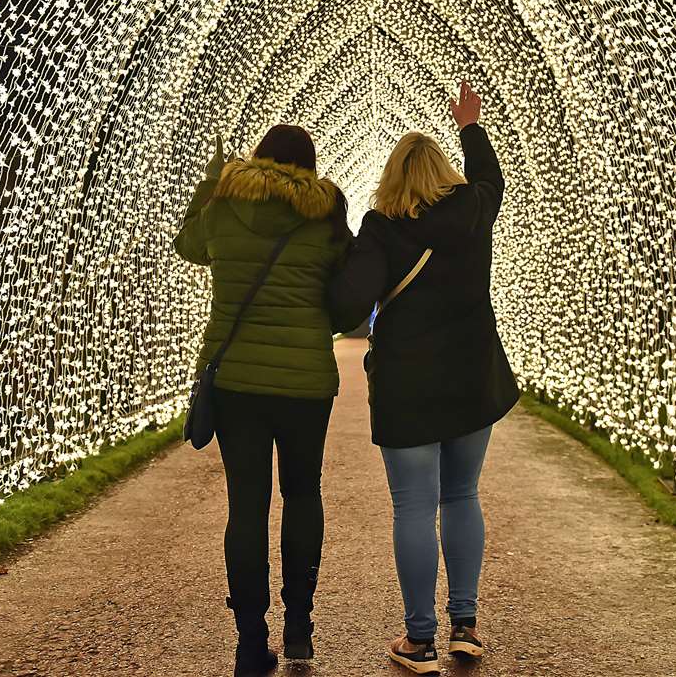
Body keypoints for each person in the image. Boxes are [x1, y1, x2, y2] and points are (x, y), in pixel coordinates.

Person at [328, 81, 520, 674]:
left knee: (413, 508)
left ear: (391, 180)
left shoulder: (382, 227)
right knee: (462, 495)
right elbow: (491, 181)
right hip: (471, 375)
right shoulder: (472, 211)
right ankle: (466, 626)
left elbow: (346, 310)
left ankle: (421, 640)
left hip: (409, 383)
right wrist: (471, 125)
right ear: (445, 175)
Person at [173, 124, 355, 674]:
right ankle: (299, 627)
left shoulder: (226, 205)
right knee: (303, 495)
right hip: (306, 383)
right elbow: (344, 297)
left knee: (246, 507)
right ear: (310, 166)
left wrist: (209, 185)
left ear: (258, 158)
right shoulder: (326, 213)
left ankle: (250, 642)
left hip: (236, 384)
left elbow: (188, 247)